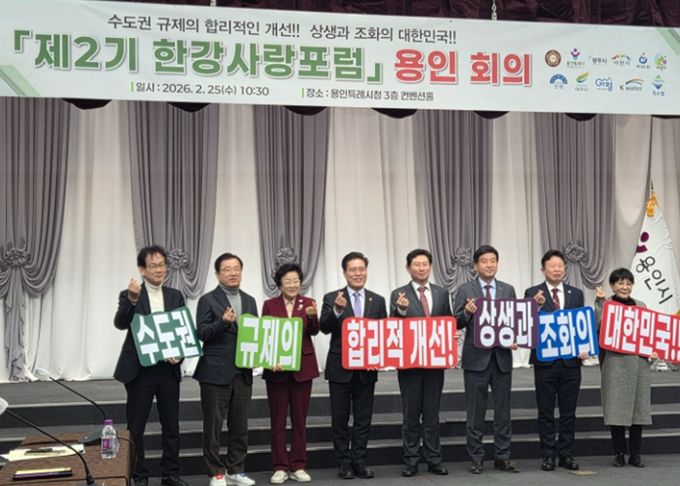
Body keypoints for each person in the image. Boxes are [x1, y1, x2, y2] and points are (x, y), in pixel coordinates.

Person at [113, 245, 188, 486]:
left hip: (167, 370)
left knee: (171, 425)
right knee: (136, 427)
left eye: (162, 265)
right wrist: (132, 301)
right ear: (142, 269)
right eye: (153, 266)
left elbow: (182, 330)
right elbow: (120, 323)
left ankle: (170, 474)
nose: (159, 270)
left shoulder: (175, 295)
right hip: (140, 371)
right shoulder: (130, 294)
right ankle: (139, 476)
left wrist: (179, 354)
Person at [320, 252, 387, 480]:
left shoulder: (378, 300)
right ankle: (343, 463)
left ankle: (359, 461)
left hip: (367, 370)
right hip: (340, 368)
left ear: (366, 271)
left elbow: (382, 334)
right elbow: (324, 327)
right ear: (345, 273)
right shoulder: (332, 297)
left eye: (361, 269)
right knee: (340, 419)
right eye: (353, 270)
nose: (358, 274)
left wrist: (378, 359)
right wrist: (337, 311)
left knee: (363, 419)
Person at [453, 245, 519, 474]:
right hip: (476, 359)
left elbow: (514, 321)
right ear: (475, 265)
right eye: (484, 261)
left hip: (501, 358)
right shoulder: (465, 289)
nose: (489, 265)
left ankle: (503, 456)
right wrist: (467, 312)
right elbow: (456, 322)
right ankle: (476, 457)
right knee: (475, 411)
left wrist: (516, 338)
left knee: (503, 411)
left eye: (493, 260)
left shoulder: (507, 289)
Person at [194, 253, 258, 486]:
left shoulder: (250, 300)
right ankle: (216, 473)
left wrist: (258, 355)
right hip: (215, 373)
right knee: (213, 427)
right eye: (227, 269)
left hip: (243, 372)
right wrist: (222, 323)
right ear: (217, 274)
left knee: (240, 425)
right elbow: (202, 333)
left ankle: (236, 469)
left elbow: (255, 333)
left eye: (236, 268)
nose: (233, 273)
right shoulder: (208, 300)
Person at [390, 249, 452, 477]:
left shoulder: (442, 293)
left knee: (432, 414)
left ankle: (434, 460)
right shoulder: (399, 294)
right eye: (416, 264)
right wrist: (401, 310)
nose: (421, 268)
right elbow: (393, 326)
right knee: (411, 414)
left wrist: (451, 336)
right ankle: (411, 460)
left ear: (430, 266)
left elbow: (448, 321)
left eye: (425, 264)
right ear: (408, 268)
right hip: (410, 365)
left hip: (435, 364)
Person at [525, 250, 586, 471]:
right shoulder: (532, 292)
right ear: (543, 269)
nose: (557, 270)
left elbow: (581, 324)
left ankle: (566, 454)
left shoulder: (576, 293)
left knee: (569, 412)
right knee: (546, 411)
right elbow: (526, 324)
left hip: (571, 363)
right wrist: (537, 306)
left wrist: (584, 347)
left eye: (560, 266)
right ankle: (548, 455)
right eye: (552, 266)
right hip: (545, 362)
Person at [262, 263, 320, 484]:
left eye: (296, 281)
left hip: (302, 369)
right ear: (279, 284)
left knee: (299, 420)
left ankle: (298, 465)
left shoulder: (309, 303)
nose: (293, 285)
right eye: (288, 281)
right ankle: (279, 466)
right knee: (277, 421)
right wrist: (269, 360)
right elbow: (266, 335)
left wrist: (312, 317)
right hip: (277, 370)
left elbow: (314, 331)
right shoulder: (270, 305)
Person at [595, 268, 657, 468]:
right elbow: (598, 328)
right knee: (616, 410)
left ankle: (636, 454)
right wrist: (600, 303)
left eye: (628, 283)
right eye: (620, 283)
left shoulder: (641, 305)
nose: (625, 287)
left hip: (639, 364)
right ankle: (619, 453)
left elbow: (649, 333)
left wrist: (653, 350)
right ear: (612, 286)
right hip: (615, 364)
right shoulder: (606, 305)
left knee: (638, 411)